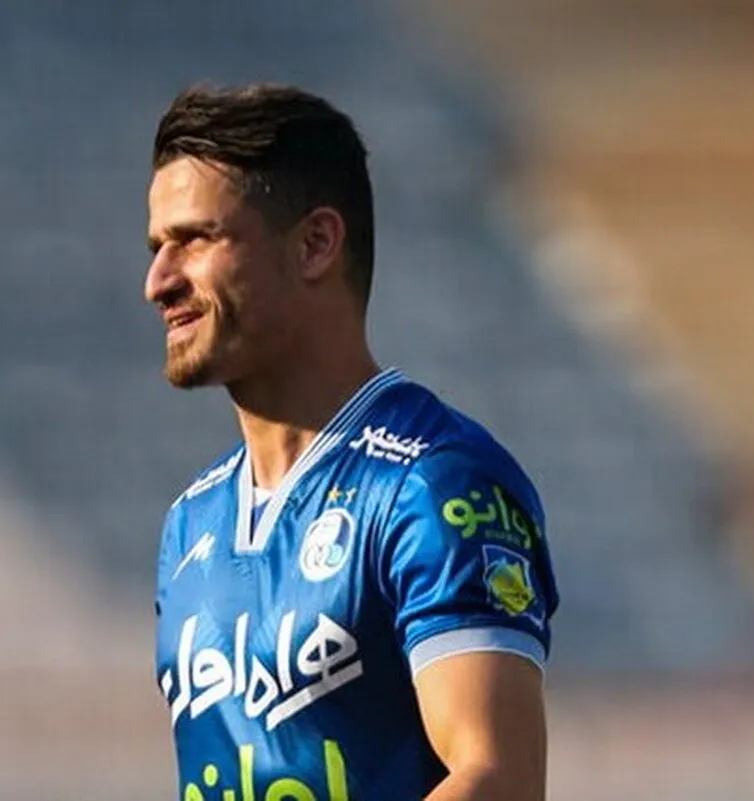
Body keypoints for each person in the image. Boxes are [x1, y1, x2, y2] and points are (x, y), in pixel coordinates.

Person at [145, 83, 559, 801]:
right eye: (157, 247)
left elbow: (499, 777)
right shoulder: (190, 523)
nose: (158, 281)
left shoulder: (433, 484)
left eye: (196, 239)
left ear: (315, 244)